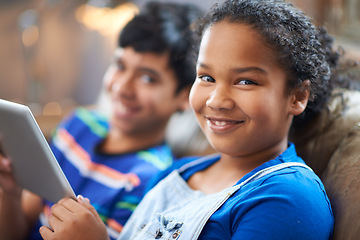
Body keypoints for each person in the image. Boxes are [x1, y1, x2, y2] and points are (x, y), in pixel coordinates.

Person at [38, 0, 337, 239]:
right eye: (206, 77)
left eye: (245, 81)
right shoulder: (175, 175)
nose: (216, 100)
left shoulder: (289, 199)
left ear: (297, 96)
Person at [0, 2, 202, 240]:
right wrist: (10, 194)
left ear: (184, 96)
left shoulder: (153, 182)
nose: (122, 87)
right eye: (120, 65)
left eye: (148, 78)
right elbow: (19, 228)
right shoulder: (77, 125)